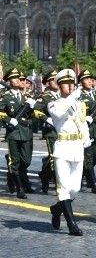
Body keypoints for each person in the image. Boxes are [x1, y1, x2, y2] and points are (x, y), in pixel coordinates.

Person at [47, 69, 91, 236]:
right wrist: (72, 98)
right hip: (63, 147)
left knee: (75, 189)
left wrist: (86, 138)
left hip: (77, 147)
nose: (70, 86)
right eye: (67, 83)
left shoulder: (79, 104)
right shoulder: (53, 103)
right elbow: (59, 114)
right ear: (59, 86)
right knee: (64, 188)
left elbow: (82, 123)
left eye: (72, 83)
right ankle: (72, 225)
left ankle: (56, 209)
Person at [0, 68, 47, 198]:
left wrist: (33, 106)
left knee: (26, 161)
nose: (18, 80)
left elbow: (35, 110)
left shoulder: (26, 96)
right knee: (15, 162)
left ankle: (11, 175)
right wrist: (9, 120)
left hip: (26, 131)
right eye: (14, 78)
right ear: (9, 81)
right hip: (14, 132)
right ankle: (20, 188)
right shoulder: (5, 96)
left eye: (19, 78)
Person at [79, 69, 96, 194]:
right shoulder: (79, 95)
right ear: (81, 81)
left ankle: (82, 175)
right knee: (88, 157)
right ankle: (94, 183)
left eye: (91, 79)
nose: (90, 81)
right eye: (87, 79)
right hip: (87, 129)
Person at [38, 70, 59, 193]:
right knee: (54, 158)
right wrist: (47, 119)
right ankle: (58, 184)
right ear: (47, 83)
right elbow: (35, 110)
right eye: (52, 80)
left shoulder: (63, 95)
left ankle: (44, 176)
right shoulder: (45, 97)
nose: (55, 82)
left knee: (60, 157)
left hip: (62, 131)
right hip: (51, 132)